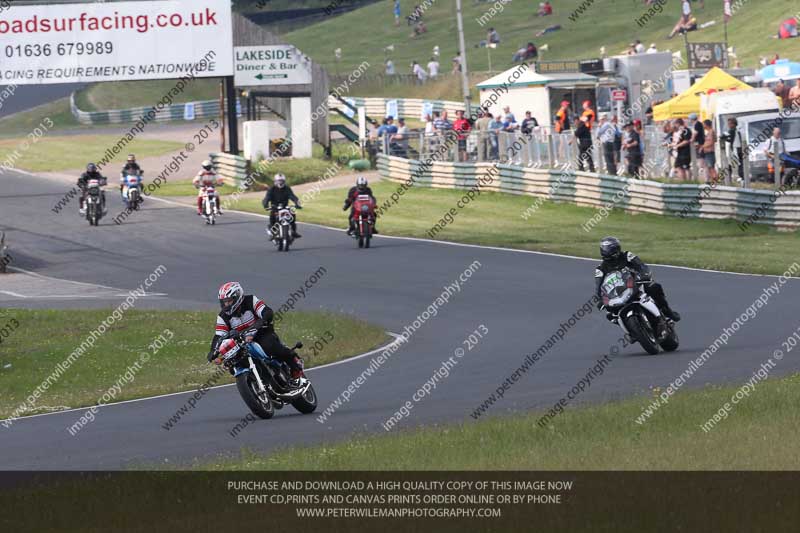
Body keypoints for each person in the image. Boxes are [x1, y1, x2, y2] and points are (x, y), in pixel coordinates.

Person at [208, 282, 306, 386]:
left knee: (269, 346)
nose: (226, 305)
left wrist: (260, 321)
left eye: (229, 301)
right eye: (224, 302)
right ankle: (256, 383)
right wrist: (213, 351)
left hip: (261, 332)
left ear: (237, 297)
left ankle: (294, 361)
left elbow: (267, 312)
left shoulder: (250, 300)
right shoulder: (223, 316)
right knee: (232, 362)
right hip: (241, 340)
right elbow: (219, 335)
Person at [595, 237, 681, 326]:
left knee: (654, 287)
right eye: (606, 249)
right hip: (619, 293)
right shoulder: (600, 269)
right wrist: (600, 299)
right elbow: (599, 287)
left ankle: (668, 312)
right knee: (610, 315)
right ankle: (631, 331)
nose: (608, 251)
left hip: (636, 284)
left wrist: (645, 275)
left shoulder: (627, 255)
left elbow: (641, 266)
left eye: (610, 249)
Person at [262, 173, 302, 240]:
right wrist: (265, 204)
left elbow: (292, 196)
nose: (280, 183)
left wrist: (297, 203)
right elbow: (267, 198)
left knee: (292, 213)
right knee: (272, 215)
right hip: (275, 207)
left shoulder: (287, 188)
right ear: (275, 181)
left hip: (285, 207)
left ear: (284, 181)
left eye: (281, 181)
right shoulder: (271, 189)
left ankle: (293, 231)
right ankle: (273, 232)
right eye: (278, 181)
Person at [689, 113, 705, 179]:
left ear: (692, 119)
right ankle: (700, 167)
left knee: (700, 156)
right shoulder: (697, 124)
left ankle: (701, 168)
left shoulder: (697, 124)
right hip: (698, 142)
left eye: (690, 119)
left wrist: (691, 140)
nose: (689, 120)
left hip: (699, 143)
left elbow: (695, 134)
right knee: (698, 156)